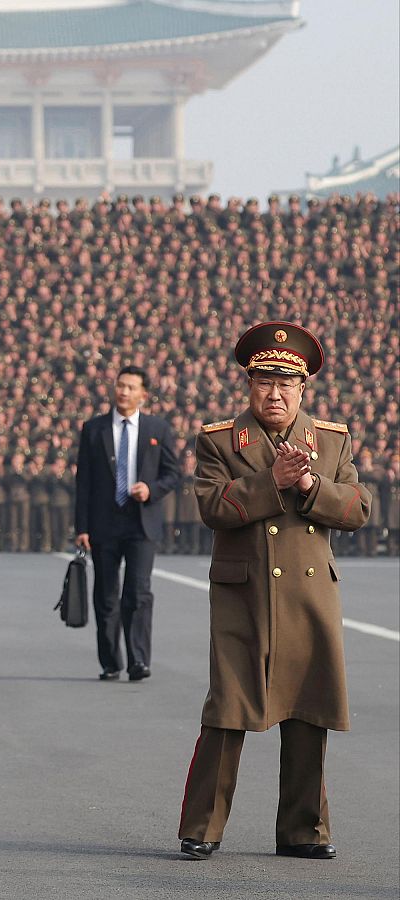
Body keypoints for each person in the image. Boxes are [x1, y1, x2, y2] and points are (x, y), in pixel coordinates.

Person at [177, 322, 370, 862]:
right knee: (228, 711)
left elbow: (359, 508)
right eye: (264, 382)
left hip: (310, 600)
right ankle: (203, 827)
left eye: (287, 384)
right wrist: (273, 482)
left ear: (304, 389)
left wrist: (311, 486)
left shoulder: (330, 440)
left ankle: (304, 831)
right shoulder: (219, 440)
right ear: (248, 385)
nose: (275, 393)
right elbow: (212, 508)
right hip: (244, 598)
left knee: (310, 715)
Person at [73, 365, 179, 681]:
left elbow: (173, 474)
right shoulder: (94, 429)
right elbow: (85, 483)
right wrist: (82, 527)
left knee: (138, 592)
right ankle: (110, 662)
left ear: (143, 395)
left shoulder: (158, 429)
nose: (124, 391)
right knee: (106, 594)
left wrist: (151, 490)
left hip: (141, 523)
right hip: (104, 523)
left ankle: (139, 660)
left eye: (131, 387)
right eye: (120, 385)